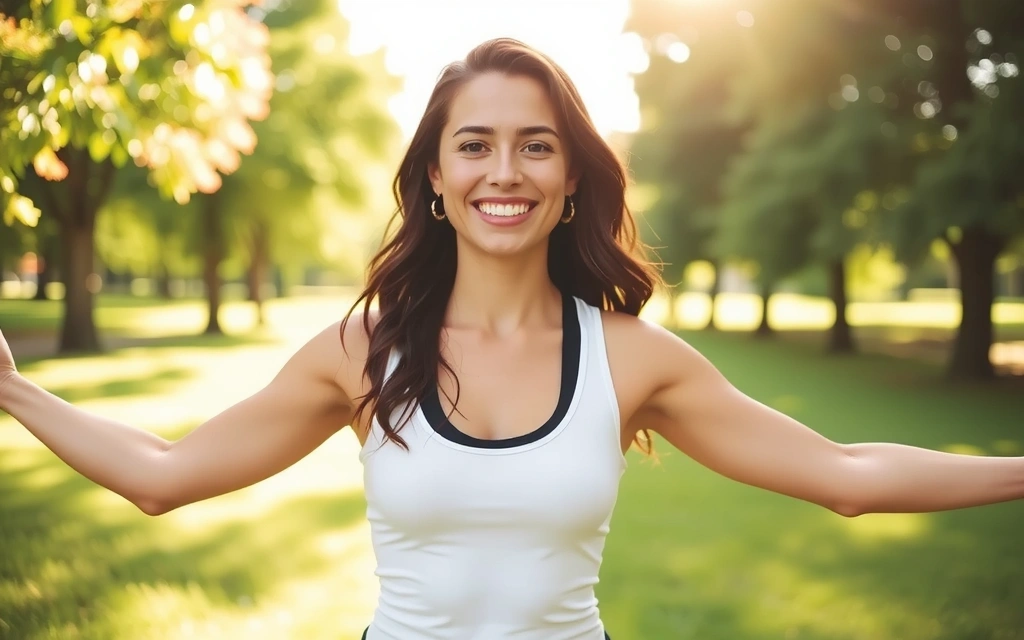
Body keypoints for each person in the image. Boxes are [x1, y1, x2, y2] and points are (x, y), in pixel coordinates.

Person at [0, 37, 1022, 640]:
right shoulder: (361, 351)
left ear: (571, 175)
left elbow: (843, 470)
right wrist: (17, 393)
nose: (506, 171)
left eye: (536, 145)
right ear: (435, 179)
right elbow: (164, 473)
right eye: (474, 145)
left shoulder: (632, 357)